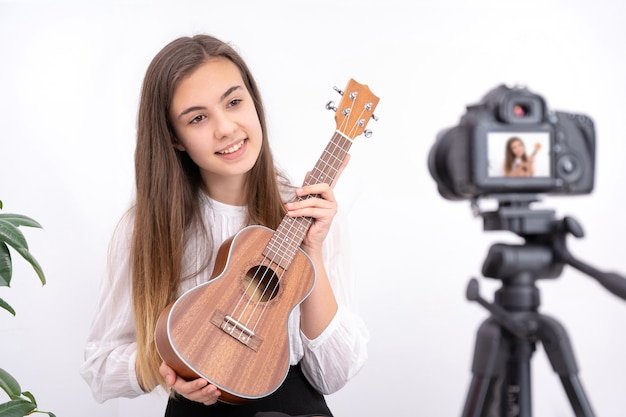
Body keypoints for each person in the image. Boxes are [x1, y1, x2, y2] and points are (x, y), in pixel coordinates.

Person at [79, 34, 369, 417]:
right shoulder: (143, 230)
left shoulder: (308, 213)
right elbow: (100, 367)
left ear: (254, 101)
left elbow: (333, 375)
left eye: (234, 102)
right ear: (174, 138)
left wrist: (312, 249)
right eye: (198, 118)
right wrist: (168, 368)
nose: (226, 128)